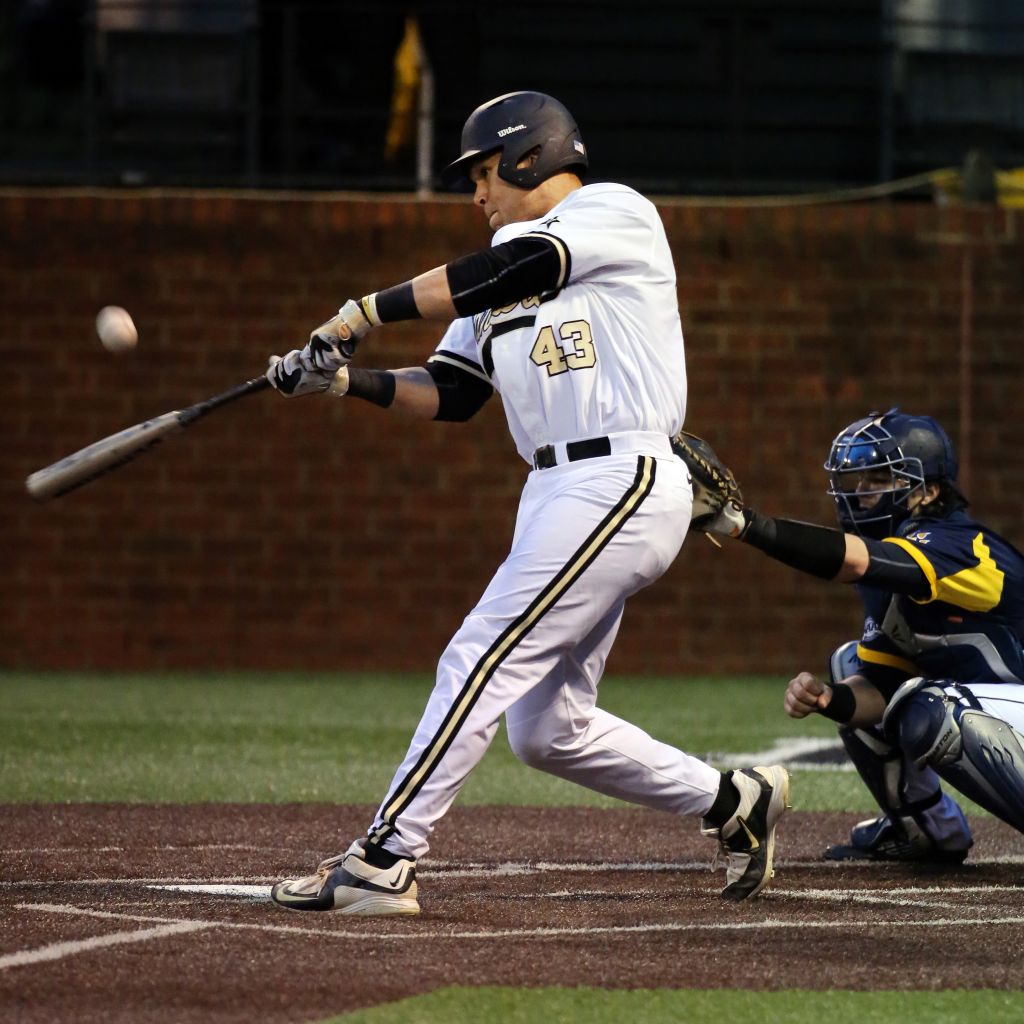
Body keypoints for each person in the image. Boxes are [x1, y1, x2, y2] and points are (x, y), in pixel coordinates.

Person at [263, 90, 789, 915]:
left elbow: (515, 270)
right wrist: (340, 382)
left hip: (621, 473)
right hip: (552, 488)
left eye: (482, 172)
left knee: (479, 655)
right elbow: (451, 391)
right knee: (547, 731)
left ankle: (384, 859)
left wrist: (364, 311)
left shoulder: (612, 213)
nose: (476, 194)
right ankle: (733, 802)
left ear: (529, 155)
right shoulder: (500, 267)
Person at [707, 408, 1024, 863]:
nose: (860, 493)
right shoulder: (885, 570)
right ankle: (924, 830)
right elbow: (882, 689)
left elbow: (854, 560)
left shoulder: (961, 544)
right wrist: (828, 700)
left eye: (878, 480)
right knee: (850, 664)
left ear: (927, 491)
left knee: (935, 708)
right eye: (858, 481)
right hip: (1007, 708)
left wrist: (745, 526)